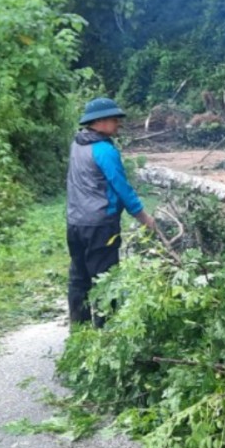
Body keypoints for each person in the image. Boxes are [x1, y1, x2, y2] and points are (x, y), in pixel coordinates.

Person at [66, 97, 155, 326]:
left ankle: (80, 328)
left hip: (75, 223)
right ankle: (107, 332)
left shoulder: (77, 144)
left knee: (79, 277)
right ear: (101, 122)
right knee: (106, 280)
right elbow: (121, 187)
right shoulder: (104, 150)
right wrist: (143, 216)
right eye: (115, 120)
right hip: (99, 225)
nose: (119, 124)